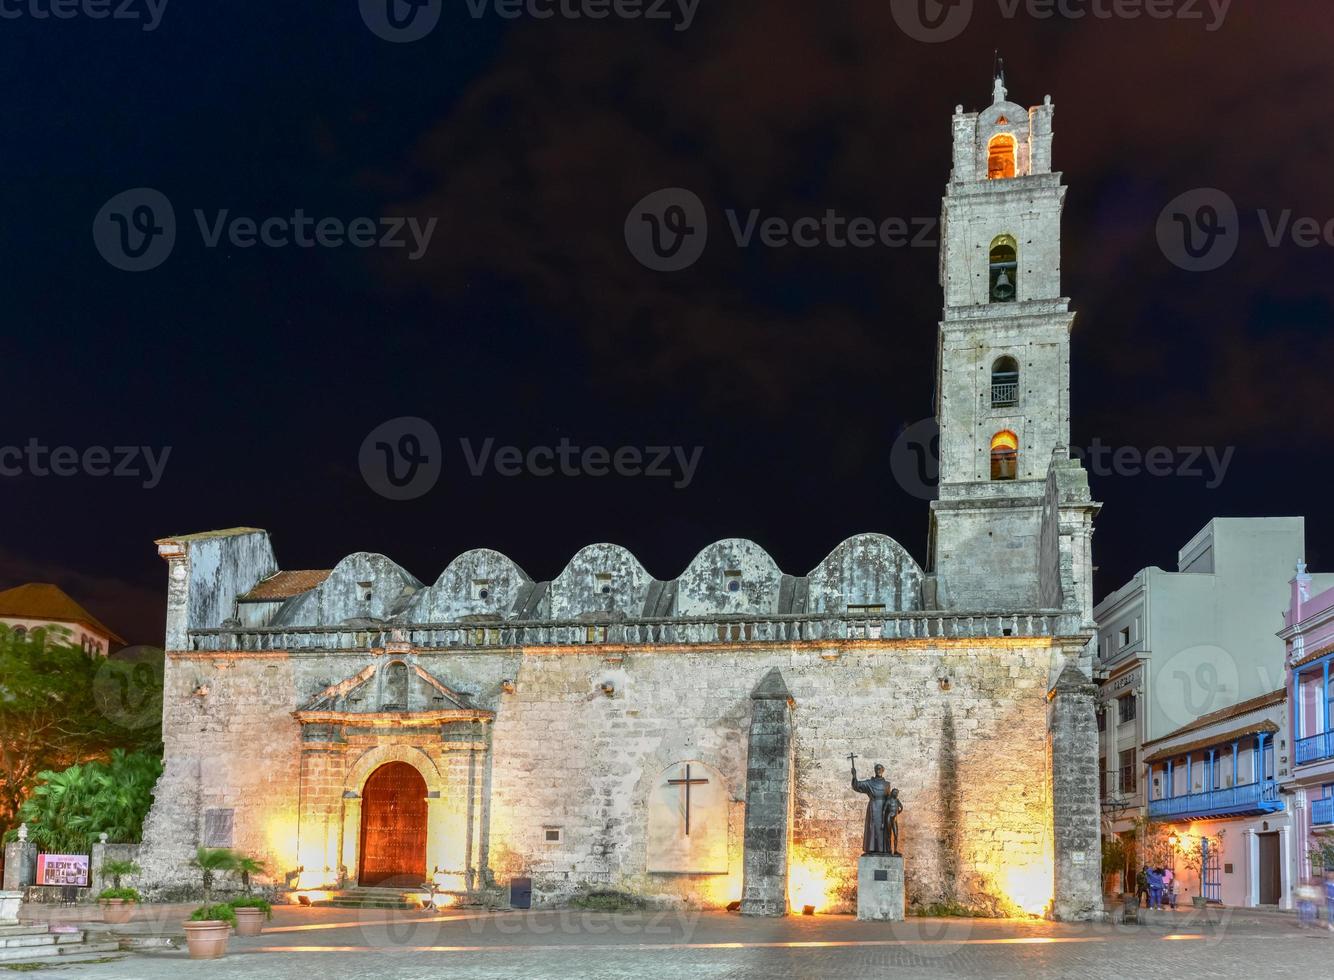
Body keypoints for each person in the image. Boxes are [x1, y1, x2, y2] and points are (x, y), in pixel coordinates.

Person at [850, 762, 895, 854]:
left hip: (884, 809)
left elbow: (889, 798)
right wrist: (854, 776)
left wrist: (893, 808)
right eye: (877, 769)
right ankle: (872, 849)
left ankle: (884, 849)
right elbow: (857, 786)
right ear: (875, 771)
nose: (878, 770)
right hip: (873, 807)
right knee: (873, 828)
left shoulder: (887, 784)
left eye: (880, 769)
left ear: (883, 770)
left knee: (884, 829)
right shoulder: (869, 783)